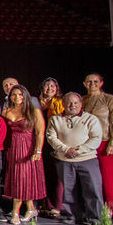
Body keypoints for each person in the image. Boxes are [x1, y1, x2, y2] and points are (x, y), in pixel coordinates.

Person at [46, 92, 104, 225]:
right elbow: (51, 137)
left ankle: (95, 218)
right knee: (68, 190)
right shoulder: (55, 119)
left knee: (92, 189)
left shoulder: (90, 119)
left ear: (81, 104)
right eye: (69, 103)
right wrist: (66, 150)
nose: (72, 105)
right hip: (65, 160)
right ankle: (72, 215)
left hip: (87, 159)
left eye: (75, 103)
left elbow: (96, 138)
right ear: (64, 104)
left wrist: (78, 150)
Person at [2, 84, 46, 225]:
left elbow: (40, 133)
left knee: (22, 179)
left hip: (27, 148)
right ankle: (31, 209)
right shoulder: (6, 111)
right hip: (11, 148)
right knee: (19, 179)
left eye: (20, 94)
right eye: (14, 94)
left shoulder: (34, 111)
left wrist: (38, 150)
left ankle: (15, 212)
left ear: (25, 96)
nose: (17, 97)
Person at [82, 73, 113, 214]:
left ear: (101, 83)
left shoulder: (109, 100)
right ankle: (93, 208)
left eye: (95, 81)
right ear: (84, 83)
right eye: (89, 82)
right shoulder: (82, 100)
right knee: (91, 178)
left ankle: (108, 209)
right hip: (88, 144)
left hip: (106, 143)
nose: (92, 84)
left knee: (108, 178)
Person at [37, 77, 64, 217]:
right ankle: (44, 204)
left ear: (57, 88)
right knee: (43, 173)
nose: (49, 89)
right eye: (47, 86)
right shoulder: (36, 102)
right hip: (40, 141)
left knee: (57, 174)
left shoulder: (60, 102)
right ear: (42, 88)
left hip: (55, 140)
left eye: (52, 86)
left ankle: (57, 205)